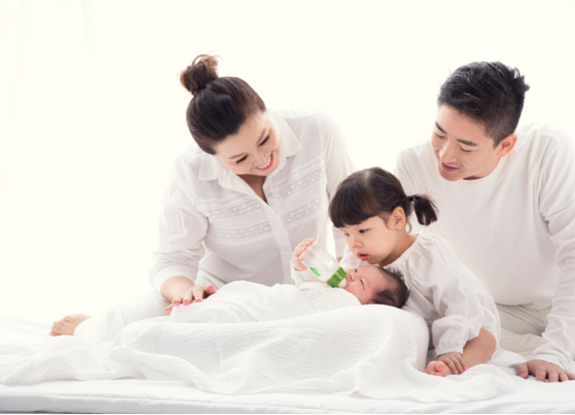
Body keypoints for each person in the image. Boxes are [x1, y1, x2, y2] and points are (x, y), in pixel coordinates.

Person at [395, 61, 575, 386]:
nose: (445, 154)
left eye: (466, 146)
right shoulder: (412, 165)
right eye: (439, 133)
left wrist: (556, 350)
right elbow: (405, 251)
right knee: (441, 338)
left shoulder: (547, 149)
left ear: (505, 145)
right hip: (500, 308)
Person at [50, 54, 355, 344]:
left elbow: (350, 215)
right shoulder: (192, 171)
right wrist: (188, 292)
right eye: (240, 159)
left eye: (265, 139)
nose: (262, 159)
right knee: (135, 320)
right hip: (221, 293)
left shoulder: (316, 130)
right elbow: (172, 259)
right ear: (212, 155)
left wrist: (346, 279)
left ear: (266, 111)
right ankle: (90, 327)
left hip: (306, 289)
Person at [293, 167, 502, 377]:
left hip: (468, 321)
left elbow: (460, 305)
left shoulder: (428, 255)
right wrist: (305, 269)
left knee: (483, 339)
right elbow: (336, 288)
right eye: (346, 234)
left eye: (363, 230)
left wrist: (450, 347)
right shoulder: (358, 257)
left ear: (397, 219)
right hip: (421, 335)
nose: (353, 243)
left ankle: (445, 370)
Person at [169, 263, 409, 327]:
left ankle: (204, 313)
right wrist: (302, 265)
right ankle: (206, 306)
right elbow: (304, 287)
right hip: (271, 298)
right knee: (242, 293)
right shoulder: (332, 287)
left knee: (228, 313)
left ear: (369, 305)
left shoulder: (348, 307)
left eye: (361, 282)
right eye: (355, 270)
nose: (351, 275)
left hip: (271, 313)